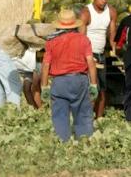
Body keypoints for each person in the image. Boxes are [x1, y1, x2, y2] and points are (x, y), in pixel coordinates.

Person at [41, 9, 99, 142]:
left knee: (60, 115)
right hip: (79, 80)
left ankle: (63, 142)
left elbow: (45, 65)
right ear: (75, 25)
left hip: (59, 82)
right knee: (83, 113)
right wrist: (94, 84)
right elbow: (90, 62)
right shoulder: (84, 40)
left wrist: (44, 86)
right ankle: (85, 141)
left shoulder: (51, 42)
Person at [0, 23, 56, 109]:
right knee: (14, 89)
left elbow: (27, 88)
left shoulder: (33, 58)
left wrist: (34, 110)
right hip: (2, 53)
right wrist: (42, 107)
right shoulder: (41, 57)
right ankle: (14, 117)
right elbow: (36, 86)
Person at [80, 0, 117, 118]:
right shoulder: (86, 12)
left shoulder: (111, 11)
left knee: (102, 90)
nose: (103, 1)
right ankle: (87, 119)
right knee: (92, 89)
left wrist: (114, 46)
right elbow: (81, 38)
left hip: (101, 55)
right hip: (89, 55)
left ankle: (99, 118)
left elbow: (112, 32)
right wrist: (87, 57)